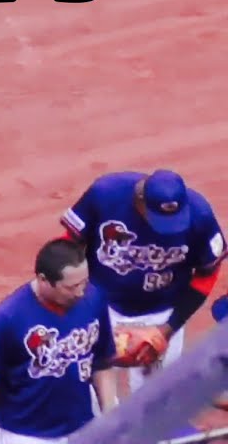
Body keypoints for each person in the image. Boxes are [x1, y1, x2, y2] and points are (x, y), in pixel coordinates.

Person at [58, 169, 226, 395]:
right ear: (139, 201)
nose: (166, 228)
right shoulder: (106, 194)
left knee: (157, 398)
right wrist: (76, 304)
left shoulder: (200, 215)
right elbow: (69, 246)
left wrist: (168, 328)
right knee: (90, 392)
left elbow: (207, 274)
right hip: (101, 306)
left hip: (163, 312)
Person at [0, 237, 119, 443]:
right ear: (43, 280)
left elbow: (102, 362)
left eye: (84, 282)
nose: (81, 292)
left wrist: (110, 414)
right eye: (71, 287)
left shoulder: (94, 299)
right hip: (27, 435)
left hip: (83, 427)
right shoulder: (5, 320)